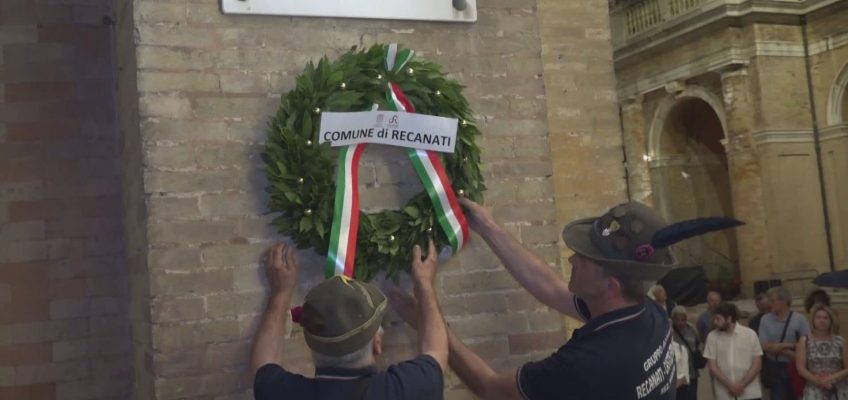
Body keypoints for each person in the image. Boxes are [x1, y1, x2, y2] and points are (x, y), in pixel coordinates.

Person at [393, 199, 741, 399]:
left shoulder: (590, 364)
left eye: (583, 258)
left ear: (612, 285)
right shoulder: (645, 312)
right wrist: (489, 228)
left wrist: (429, 317)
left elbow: (490, 388)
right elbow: (550, 287)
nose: (572, 260)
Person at [251, 241, 448, 400]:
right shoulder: (411, 389)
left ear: (313, 346)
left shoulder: (281, 393)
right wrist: (424, 285)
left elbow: (264, 364)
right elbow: (436, 349)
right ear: (377, 345)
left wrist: (280, 293)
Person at [760, 286, 812, 400]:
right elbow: (764, 346)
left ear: (784, 301)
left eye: (773, 300)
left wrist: (777, 348)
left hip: (795, 366)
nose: (769, 304)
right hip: (775, 367)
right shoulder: (765, 319)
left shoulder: (799, 319)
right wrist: (791, 346)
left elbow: (807, 344)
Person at [704, 302, 764, 400]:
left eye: (718, 319)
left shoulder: (750, 334)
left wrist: (742, 384)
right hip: (724, 393)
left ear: (729, 319)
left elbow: (757, 363)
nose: (714, 322)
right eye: (714, 319)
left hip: (750, 392)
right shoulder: (712, 337)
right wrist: (730, 385)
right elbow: (713, 366)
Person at [796, 303, 848, 400]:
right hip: (814, 388)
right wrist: (820, 381)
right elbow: (800, 368)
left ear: (831, 320)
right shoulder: (804, 341)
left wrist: (831, 378)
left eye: (825, 318)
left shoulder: (840, 341)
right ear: (813, 320)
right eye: (818, 317)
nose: (822, 320)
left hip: (839, 388)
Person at [672, 305, 703, 400]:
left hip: (692, 373)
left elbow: (699, 344)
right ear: (673, 319)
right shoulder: (669, 332)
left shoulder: (692, 330)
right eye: (678, 320)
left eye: (683, 319)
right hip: (677, 375)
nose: (681, 322)